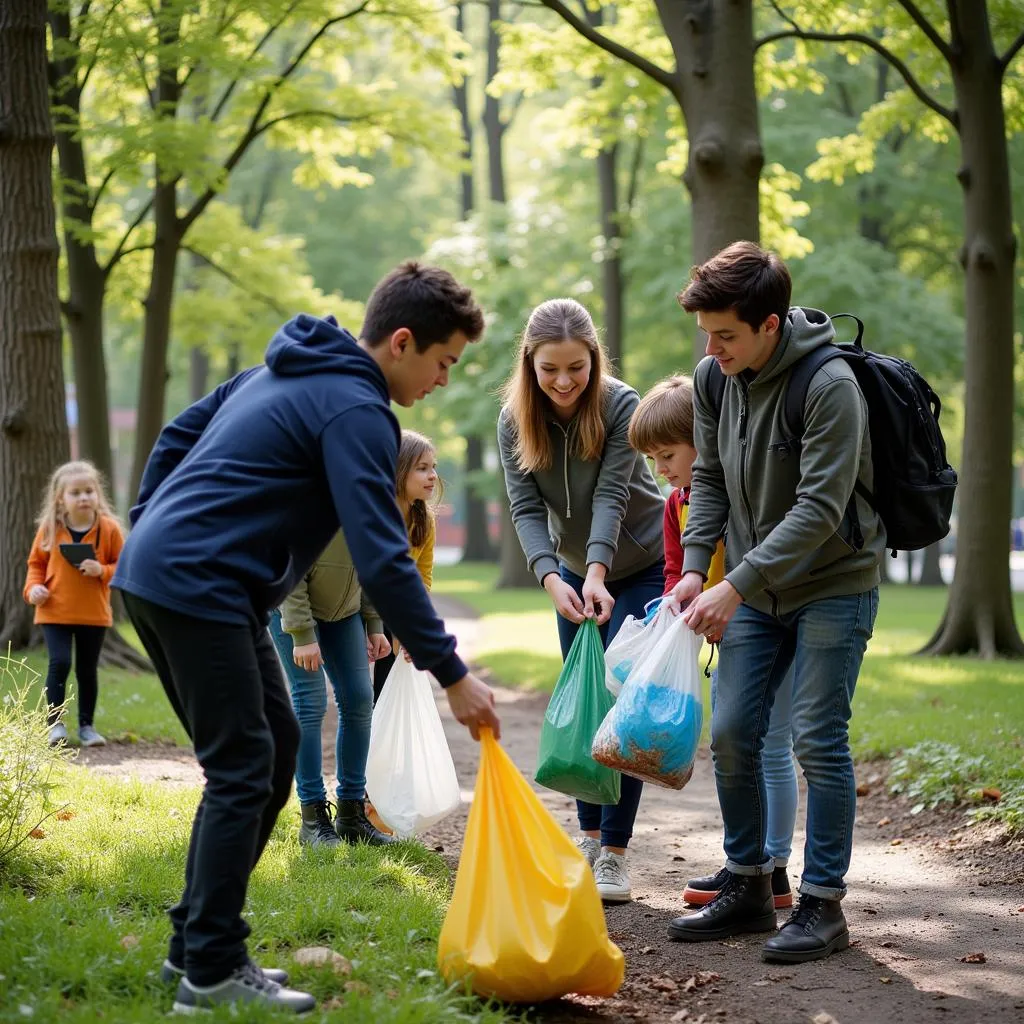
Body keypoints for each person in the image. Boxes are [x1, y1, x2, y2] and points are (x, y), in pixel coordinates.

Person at [113, 262, 501, 1015]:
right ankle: (213, 972)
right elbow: (383, 550)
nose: (445, 381)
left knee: (276, 745)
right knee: (244, 765)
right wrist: (452, 671)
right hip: (199, 585)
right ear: (401, 342)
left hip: (173, 575)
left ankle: (194, 949)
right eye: (444, 362)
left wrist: (150, 524)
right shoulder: (358, 410)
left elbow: (174, 433)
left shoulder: (277, 370)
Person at [663, 241, 883, 964]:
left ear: (769, 324)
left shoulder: (829, 386)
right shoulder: (713, 380)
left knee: (817, 739)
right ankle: (752, 883)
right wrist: (697, 569)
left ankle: (822, 903)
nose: (711, 346)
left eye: (726, 334)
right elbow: (714, 483)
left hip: (832, 584)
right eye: (705, 333)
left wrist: (736, 583)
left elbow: (821, 507)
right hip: (753, 588)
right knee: (730, 732)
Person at [498, 297, 665, 904]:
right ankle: (589, 838)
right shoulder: (515, 420)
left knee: (624, 706)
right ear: (530, 365)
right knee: (584, 704)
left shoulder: (621, 404)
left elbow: (613, 497)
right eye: (550, 370)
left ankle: (616, 856)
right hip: (570, 577)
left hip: (642, 568)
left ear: (595, 359)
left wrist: (599, 572)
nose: (565, 382)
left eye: (577, 367)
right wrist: (553, 577)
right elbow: (523, 508)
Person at [627, 375, 796, 911]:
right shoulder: (675, 505)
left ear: (706, 439)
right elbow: (677, 569)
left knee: (772, 747)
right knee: (734, 745)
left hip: (771, 625)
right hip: (725, 642)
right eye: (652, 459)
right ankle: (745, 863)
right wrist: (674, 605)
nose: (662, 469)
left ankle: (775, 868)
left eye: (669, 453)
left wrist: (733, 606)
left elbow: (764, 559)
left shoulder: (742, 493)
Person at [269, 528, 393, 849]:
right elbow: (287, 563)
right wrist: (301, 634)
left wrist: (374, 623)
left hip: (344, 611)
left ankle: (351, 815)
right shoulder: (310, 492)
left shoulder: (365, 500)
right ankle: (312, 818)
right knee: (310, 700)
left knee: (359, 698)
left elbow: (370, 564)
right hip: (289, 605)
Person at [23, 460, 124, 748]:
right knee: (60, 662)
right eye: (76, 492)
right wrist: (33, 590)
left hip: (93, 614)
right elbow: (35, 565)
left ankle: (87, 727)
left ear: (98, 495)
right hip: (53, 611)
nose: (83, 497)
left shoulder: (109, 529)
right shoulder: (49, 529)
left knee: (87, 670)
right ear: (61, 499)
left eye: (89, 491)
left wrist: (102, 571)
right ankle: (54, 724)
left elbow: (124, 566)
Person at [371, 430, 440, 701]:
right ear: (397, 471)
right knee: (358, 697)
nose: (433, 475)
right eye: (422, 468)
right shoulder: (374, 514)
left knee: (389, 692)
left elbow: (422, 579)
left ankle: (383, 741)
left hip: (396, 612)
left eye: (433, 467)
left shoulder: (425, 520)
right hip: (362, 609)